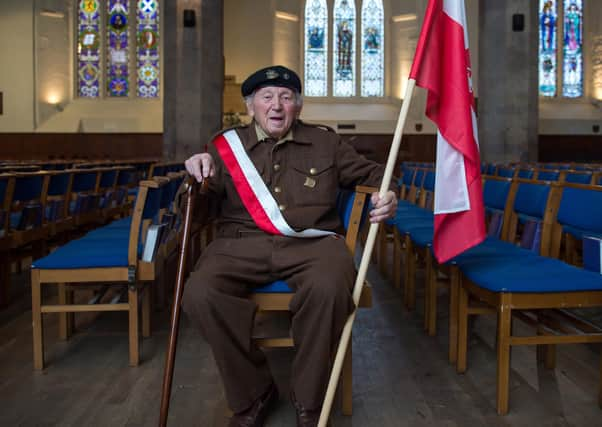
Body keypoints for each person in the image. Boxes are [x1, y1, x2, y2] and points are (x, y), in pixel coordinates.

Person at [182, 65, 397, 427]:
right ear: (250, 106)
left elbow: (376, 175)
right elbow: (196, 208)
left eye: (286, 97)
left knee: (329, 287)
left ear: (298, 105)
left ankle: (309, 398)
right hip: (239, 245)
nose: (276, 105)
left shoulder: (326, 143)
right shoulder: (224, 147)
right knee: (199, 293)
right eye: (266, 97)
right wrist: (195, 178)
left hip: (311, 245)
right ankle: (253, 392)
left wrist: (387, 194)